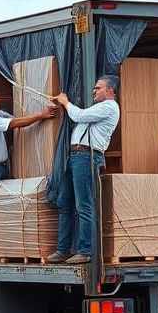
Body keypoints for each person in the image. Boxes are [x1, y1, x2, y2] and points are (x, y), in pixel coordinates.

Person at [0, 85, 57, 262]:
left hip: (0, 166)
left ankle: (1, 247)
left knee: (2, 207)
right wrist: (41, 115)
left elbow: (16, 118)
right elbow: (14, 124)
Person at [47, 75, 121, 264]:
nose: (94, 91)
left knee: (84, 205)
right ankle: (63, 250)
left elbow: (78, 115)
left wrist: (65, 102)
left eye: (98, 88)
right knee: (65, 202)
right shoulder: (97, 108)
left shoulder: (109, 107)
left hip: (87, 157)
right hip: (76, 156)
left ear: (110, 91)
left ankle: (86, 250)